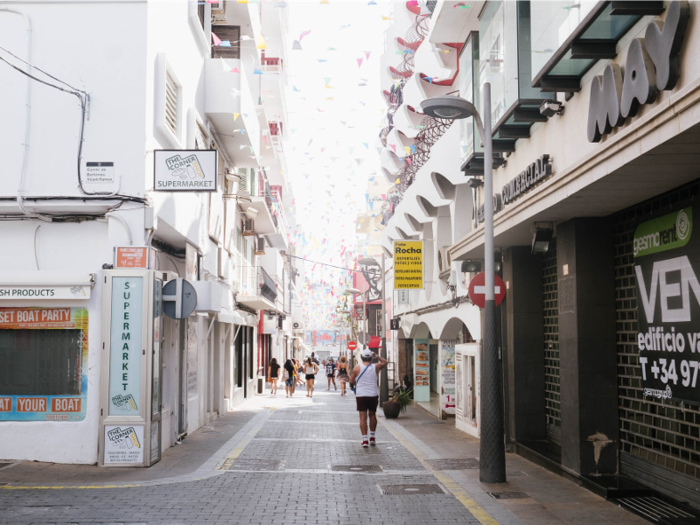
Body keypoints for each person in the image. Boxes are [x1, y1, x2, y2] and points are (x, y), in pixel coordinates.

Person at [349, 348, 387, 447]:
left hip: (361, 395)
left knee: (362, 417)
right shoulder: (376, 366)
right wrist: (377, 356)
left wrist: (352, 387)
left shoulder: (357, 368)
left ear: (362, 358)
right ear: (371, 357)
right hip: (373, 395)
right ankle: (372, 437)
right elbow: (385, 362)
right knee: (372, 415)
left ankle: (365, 440)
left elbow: (351, 381)